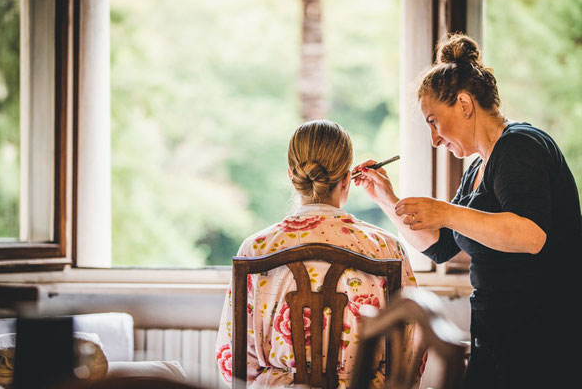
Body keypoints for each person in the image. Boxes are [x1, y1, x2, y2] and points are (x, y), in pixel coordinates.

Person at [354, 33, 580, 389]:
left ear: (464, 104)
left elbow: (530, 235)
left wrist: (446, 212)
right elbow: (441, 247)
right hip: (494, 338)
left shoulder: (521, 148)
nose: (434, 138)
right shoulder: (477, 168)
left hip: (540, 343)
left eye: (433, 120)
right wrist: (385, 196)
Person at [215, 120, 419, 388]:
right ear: (348, 178)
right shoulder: (386, 248)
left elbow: (233, 359)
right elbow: (410, 348)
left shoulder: (256, 249)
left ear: (291, 174)